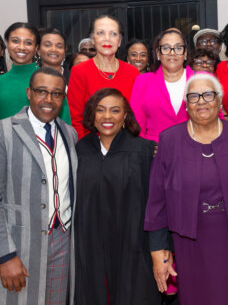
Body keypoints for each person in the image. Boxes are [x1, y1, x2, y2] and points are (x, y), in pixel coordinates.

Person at [145, 73, 228, 305]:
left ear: (219, 100)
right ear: (186, 105)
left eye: (208, 95)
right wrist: (158, 250)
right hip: (189, 241)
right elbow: (157, 199)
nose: (201, 101)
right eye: (194, 96)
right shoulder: (169, 140)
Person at [0, 67, 78, 305]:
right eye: (42, 91)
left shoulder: (69, 134)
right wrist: (4, 255)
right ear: (29, 93)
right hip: (17, 245)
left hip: (62, 240)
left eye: (56, 94)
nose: (49, 100)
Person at [74, 88, 160, 305]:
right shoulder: (79, 150)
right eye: (100, 110)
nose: (107, 117)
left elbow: (158, 204)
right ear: (92, 115)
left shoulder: (145, 151)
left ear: (125, 116)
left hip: (133, 245)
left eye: (115, 111)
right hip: (89, 245)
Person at [68, 15, 140, 138]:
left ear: (119, 41)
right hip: (90, 146)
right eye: (101, 33)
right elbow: (75, 119)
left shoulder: (132, 73)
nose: (107, 39)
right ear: (93, 39)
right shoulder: (79, 71)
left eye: (113, 34)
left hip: (126, 143)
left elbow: (137, 116)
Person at [0, 22, 70, 123]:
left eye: (28, 43)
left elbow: (65, 124)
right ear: (7, 43)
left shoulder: (51, 79)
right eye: (15, 41)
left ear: (36, 48)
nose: (21, 47)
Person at [130, 29, 194, 142]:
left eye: (178, 48)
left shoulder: (201, 80)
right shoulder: (142, 81)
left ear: (185, 53)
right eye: (166, 48)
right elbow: (136, 125)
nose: (172, 52)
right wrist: (147, 148)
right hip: (155, 152)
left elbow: (215, 120)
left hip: (193, 150)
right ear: (158, 54)